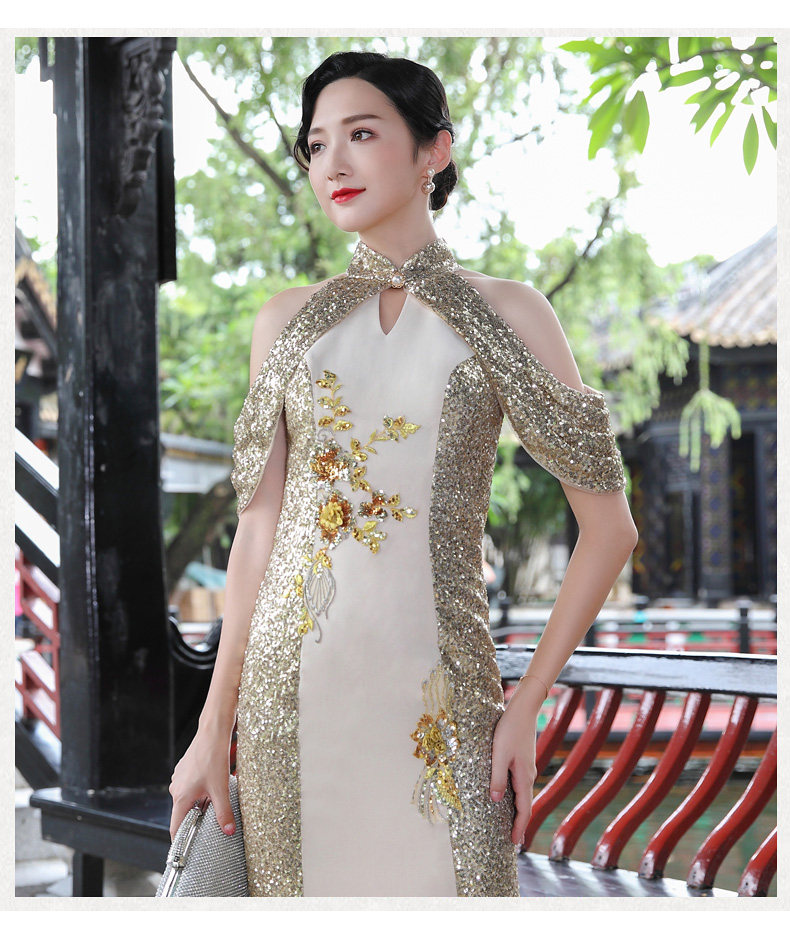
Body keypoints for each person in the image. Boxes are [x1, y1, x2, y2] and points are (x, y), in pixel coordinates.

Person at [167, 49, 638, 898]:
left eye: (361, 134)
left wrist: (526, 705)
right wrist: (212, 728)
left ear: (435, 150)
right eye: (316, 144)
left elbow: (610, 530)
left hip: (444, 709)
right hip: (290, 712)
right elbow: (258, 534)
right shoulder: (285, 321)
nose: (332, 163)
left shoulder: (510, 311)